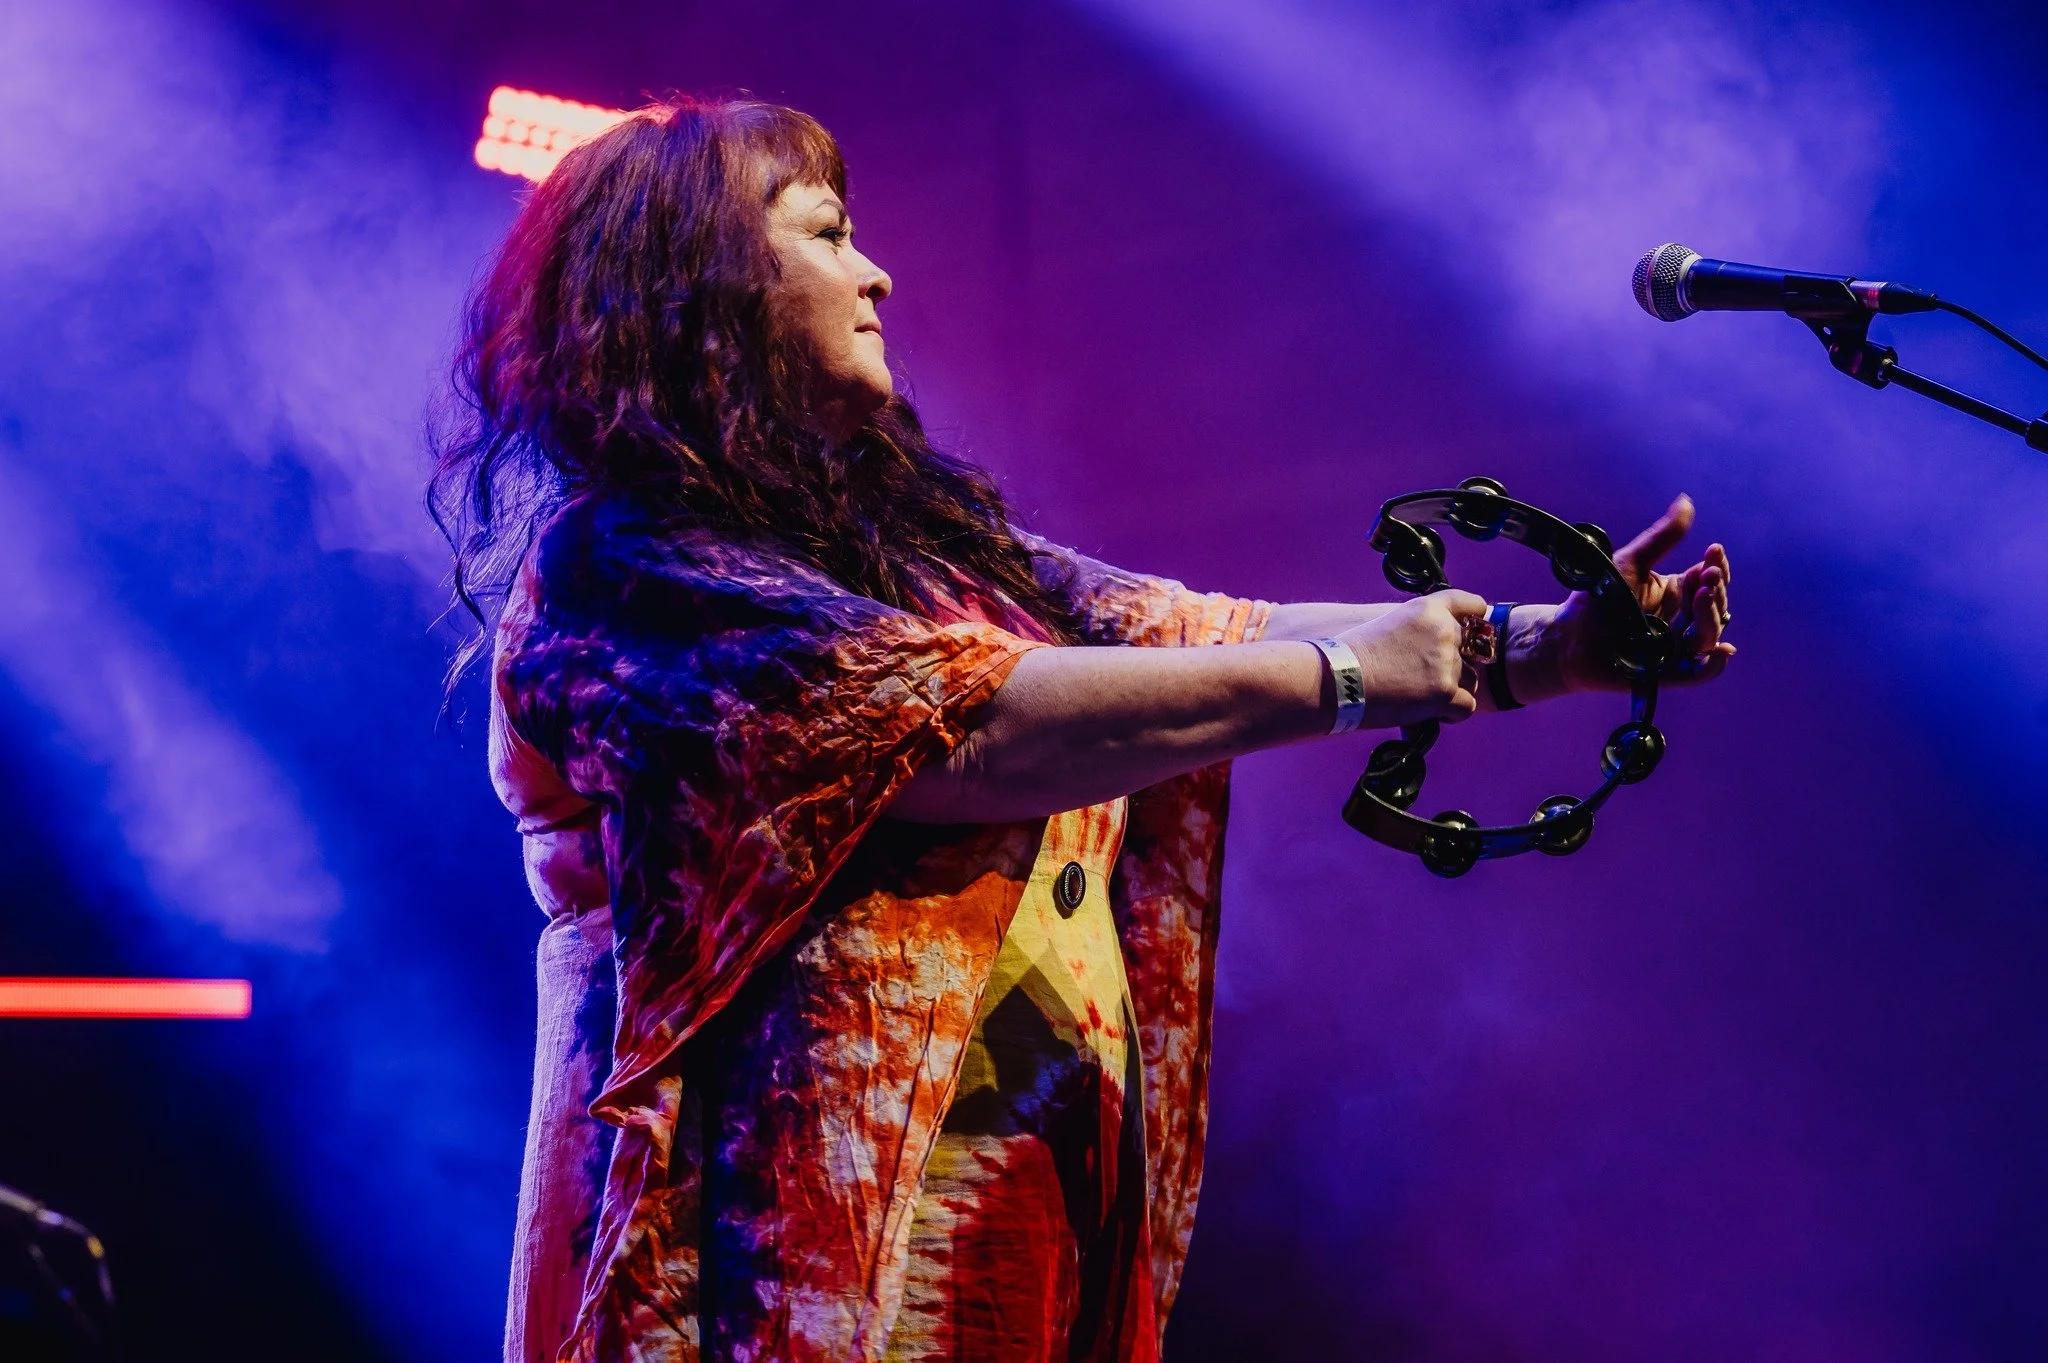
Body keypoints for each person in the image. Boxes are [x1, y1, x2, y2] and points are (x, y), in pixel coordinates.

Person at [432, 96, 1733, 1363]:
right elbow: (954, 726)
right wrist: (1351, 676)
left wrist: (1534, 651)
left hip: (1016, 1241)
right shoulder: (627, 568)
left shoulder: (911, 546)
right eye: (826, 233)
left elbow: (1190, 633)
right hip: (768, 1273)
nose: (877, 273)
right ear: (700, 284)